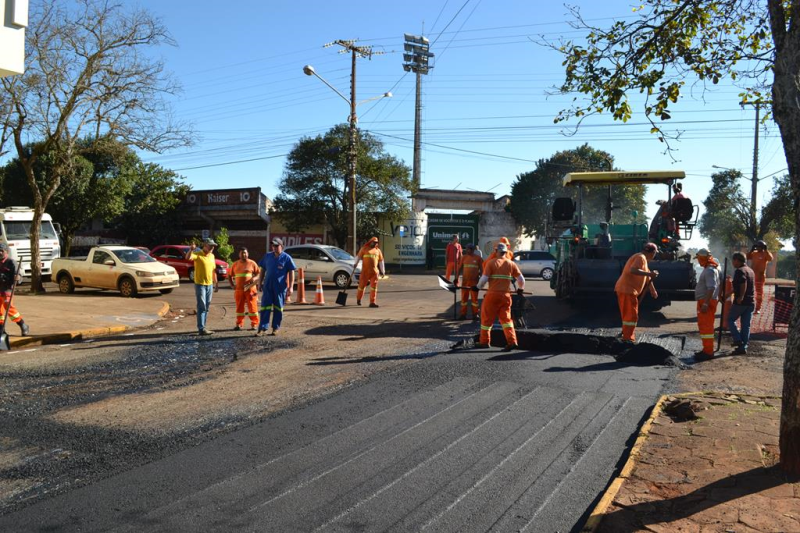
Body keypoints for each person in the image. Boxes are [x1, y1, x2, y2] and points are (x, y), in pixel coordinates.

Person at [474, 242, 525, 351]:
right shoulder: (511, 264)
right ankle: (512, 342)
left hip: (492, 295)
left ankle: (484, 341)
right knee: (506, 320)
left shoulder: (491, 263)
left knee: (487, 320)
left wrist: (477, 287)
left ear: (496, 251)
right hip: (506, 296)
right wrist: (520, 290)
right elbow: (521, 280)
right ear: (506, 252)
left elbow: (483, 280)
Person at [614, 242, 659, 343]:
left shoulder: (643, 259)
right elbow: (633, 270)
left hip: (628, 291)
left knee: (630, 315)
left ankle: (626, 334)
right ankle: (628, 338)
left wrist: (652, 289)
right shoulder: (640, 257)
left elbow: (647, 277)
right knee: (631, 316)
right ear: (652, 252)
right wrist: (650, 273)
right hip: (627, 290)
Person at [255, 237, 296, 336]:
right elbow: (262, 270)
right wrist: (260, 283)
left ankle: (275, 328)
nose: (274, 247)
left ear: (281, 246)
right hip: (268, 287)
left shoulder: (287, 258)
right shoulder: (268, 256)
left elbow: (291, 272)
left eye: (276, 246)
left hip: (280, 288)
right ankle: (262, 328)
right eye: (273, 246)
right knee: (265, 308)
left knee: (278, 308)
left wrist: (291, 287)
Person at [184, 238, 219, 335]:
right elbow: (188, 258)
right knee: (201, 306)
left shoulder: (212, 256)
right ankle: (201, 328)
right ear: (205, 245)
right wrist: (191, 249)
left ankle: (203, 327)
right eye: (211, 245)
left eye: (213, 246)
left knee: (206, 307)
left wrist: (216, 283)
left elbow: (213, 270)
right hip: (200, 285)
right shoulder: (198, 254)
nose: (212, 247)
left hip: (210, 285)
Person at [693, 248, 721, 361]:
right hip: (706, 301)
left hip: (706, 302)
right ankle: (706, 349)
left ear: (702, 258)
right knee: (705, 326)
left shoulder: (709, 270)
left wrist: (705, 303)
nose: (698, 261)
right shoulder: (712, 268)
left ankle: (708, 352)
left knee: (706, 327)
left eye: (699, 258)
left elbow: (711, 287)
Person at [727, 251, 755, 355]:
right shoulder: (750, 270)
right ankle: (743, 347)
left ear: (737, 260)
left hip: (741, 302)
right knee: (745, 326)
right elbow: (738, 286)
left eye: (733, 261)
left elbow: (743, 283)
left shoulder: (740, 271)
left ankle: (737, 339)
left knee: (730, 320)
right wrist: (727, 294)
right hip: (750, 302)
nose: (732, 263)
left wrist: (741, 296)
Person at [0, 243, 29, 336]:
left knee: (9, 308)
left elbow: (19, 276)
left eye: (2, 251)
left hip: (7, 290)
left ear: (6, 252)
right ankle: (1, 330)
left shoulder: (11, 262)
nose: (0, 252)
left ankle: (22, 324)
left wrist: (18, 278)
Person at [229, 247, 260, 331]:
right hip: (239, 290)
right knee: (239, 308)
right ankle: (239, 324)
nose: (244, 254)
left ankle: (254, 324)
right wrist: (232, 285)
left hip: (250, 289)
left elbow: (259, 273)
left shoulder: (252, 263)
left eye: (245, 253)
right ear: (239, 254)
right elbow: (229, 275)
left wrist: (255, 278)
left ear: (248, 253)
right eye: (242, 253)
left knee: (252, 307)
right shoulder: (235, 264)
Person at [356, 236, 385, 307]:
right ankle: (358, 298)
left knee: (374, 288)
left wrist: (383, 271)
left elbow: (381, 261)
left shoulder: (378, 251)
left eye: (376, 243)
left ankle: (372, 302)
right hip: (365, 272)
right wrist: (355, 263)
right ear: (370, 242)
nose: (375, 244)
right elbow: (358, 257)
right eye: (374, 242)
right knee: (361, 287)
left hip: (374, 273)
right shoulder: (364, 249)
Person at [747, 240, 774, 314]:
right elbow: (747, 257)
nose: (758, 248)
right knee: (749, 292)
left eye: (760, 246)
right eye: (757, 246)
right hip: (752, 276)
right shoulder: (754, 253)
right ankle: (749, 307)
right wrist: (751, 250)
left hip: (760, 277)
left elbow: (770, 258)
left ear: (763, 247)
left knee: (759, 294)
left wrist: (766, 250)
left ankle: (758, 308)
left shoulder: (766, 253)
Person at [457, 243, 482, 320]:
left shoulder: (478, 259)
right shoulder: (463, 258)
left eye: (468, 249)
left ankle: (475, 314)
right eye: (466, 248)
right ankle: (463, 314)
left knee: (474, 300)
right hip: (465, 282)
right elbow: (459, 269)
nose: (466, 250)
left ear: (472, 249)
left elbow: (482, 271)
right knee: (464, 299)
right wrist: (456, 279)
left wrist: (481, 282)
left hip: (474, 283)